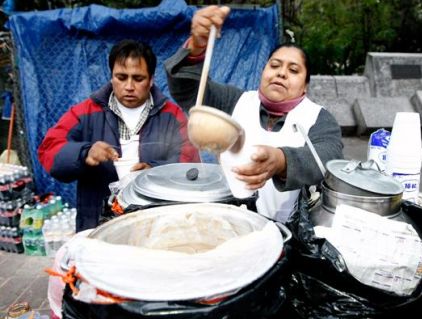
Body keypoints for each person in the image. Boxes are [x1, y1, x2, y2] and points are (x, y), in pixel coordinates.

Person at [164, 6, 343, 223]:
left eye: (293, 70)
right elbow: (188, 90)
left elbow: (328, 158)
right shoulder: (235, 101)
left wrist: (281, 160)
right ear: (263, 71)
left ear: (305, 86)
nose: (281, 73)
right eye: (274, 65)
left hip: (290, 229)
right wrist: (196, 46)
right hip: (230, 218)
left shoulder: (319, 118)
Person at [38, 39, 200, 232]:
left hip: (157, 222)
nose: (129, 86)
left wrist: (154, 172)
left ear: (151, 79)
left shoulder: (171, 115)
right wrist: (85, 153)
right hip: (99, 222)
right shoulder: (85, 112)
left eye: (138, 78)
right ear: (111, 77)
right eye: (121, 77)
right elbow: (49, 150)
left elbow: (190, 166)